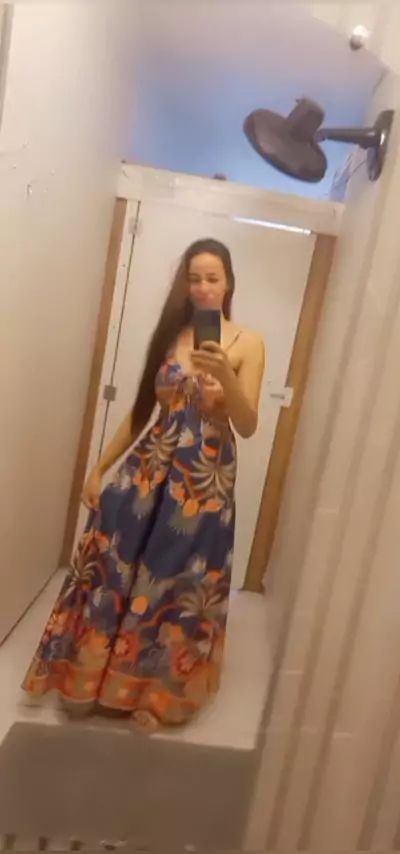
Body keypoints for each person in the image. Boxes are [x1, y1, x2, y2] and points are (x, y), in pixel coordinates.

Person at [23, 238, 266, 733]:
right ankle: (89, 677)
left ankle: (156, 696)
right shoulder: (171, 336)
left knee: (180, 581)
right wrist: (99, 468)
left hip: (203, 481)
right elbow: (140, 412)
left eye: (212, 278)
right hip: (149, 469)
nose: (203, 287)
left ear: (229, 282)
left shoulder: (249, 342)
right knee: (114, 563)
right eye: (194, 278)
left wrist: (227, 378)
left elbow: (247, 424)